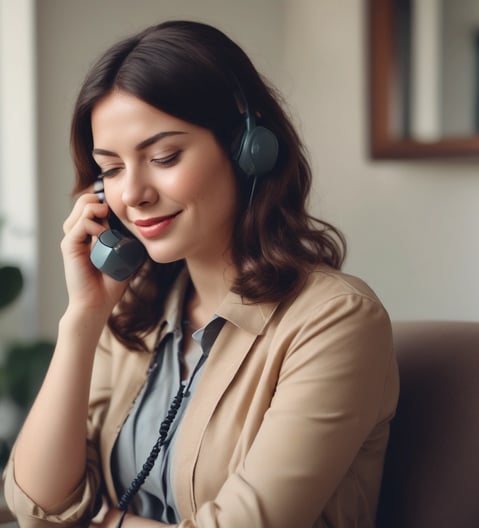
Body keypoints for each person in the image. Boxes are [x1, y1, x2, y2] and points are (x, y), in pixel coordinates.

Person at [2, 20, 399, 528]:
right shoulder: (132, 310)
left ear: (248, 148)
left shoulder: (335, 321)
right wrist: (82, 320)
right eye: (112, 169)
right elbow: (37, 507)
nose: (133, 194)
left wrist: (102, 521)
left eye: (163, 156)